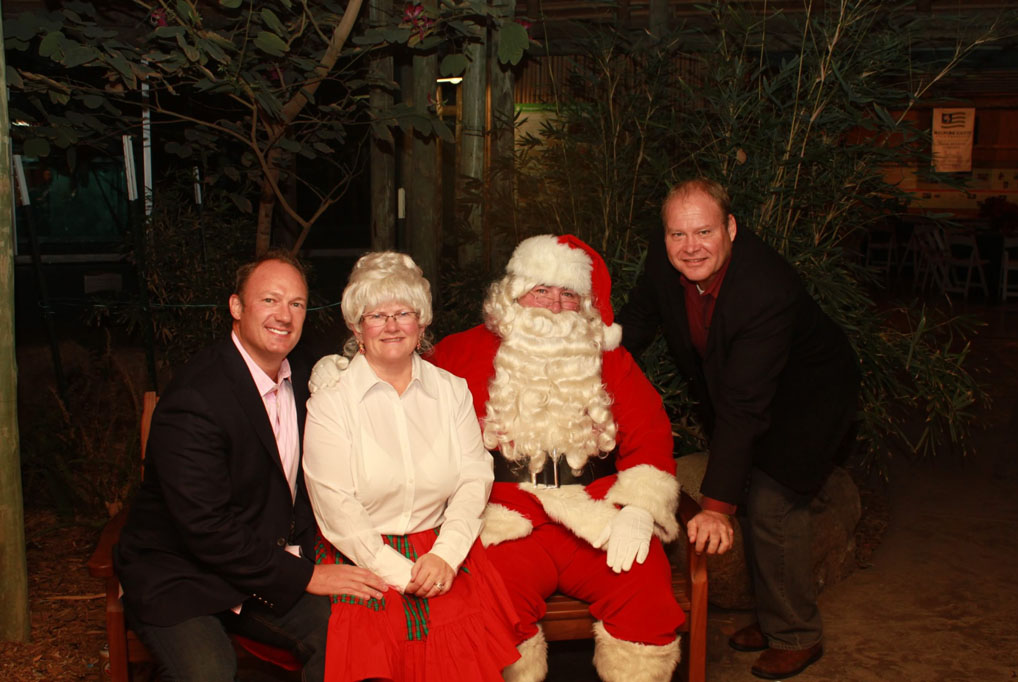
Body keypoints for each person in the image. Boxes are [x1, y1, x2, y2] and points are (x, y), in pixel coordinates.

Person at [618, 178, 859, 680]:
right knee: (750, 491)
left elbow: (746, 406)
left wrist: (715, 507)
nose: (690, 247)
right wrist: (589, 368)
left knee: (772, 501)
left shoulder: (765, 287)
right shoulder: (666, 259)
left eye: (704, 232)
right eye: (678, 234)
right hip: (749, 391)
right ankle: (772, 619)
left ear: (730, 227)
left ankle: (796, 634)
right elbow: (637, 320)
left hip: (808, 397)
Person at [115, 250, 387, 682]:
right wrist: (306, 574)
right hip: (183, 574)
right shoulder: (196, 397)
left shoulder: (307, 376)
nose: (284, 315)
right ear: (236, 307)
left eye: (296, 303)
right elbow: (205, 528)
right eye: (270, 300)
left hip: (261, 566)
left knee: (349, 634)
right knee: (209, 675)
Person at [429, 235, 686, 682]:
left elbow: (649, 432)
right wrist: (348, 369)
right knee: (489, 600)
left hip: (595, 512)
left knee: (643, 585)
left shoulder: (610, 359)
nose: (553, 304)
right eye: (541, 289)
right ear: (514, 293)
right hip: (505, 518)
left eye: (568, 294)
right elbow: (405, 392)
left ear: (584, 304)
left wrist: (639, 508)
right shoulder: (459, 352)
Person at [302, 252, 521, 681]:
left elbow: (474, 478)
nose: (391, 326)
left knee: (459, 655)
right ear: (356, 328)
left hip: (440, 549)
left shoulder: (451, 391)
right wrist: (400, 574)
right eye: (376, 315)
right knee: (374, 648)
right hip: (360, 554)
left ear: (421, 324)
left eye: (403, 313)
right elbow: (336, 507)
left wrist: (446, 556)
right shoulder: (332, 401)